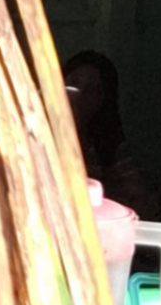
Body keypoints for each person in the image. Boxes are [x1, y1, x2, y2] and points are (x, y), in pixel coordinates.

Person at [62, 44, 148, 214]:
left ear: (103, 100)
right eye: (74, 83)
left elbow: (142, 203)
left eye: (93, 89)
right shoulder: (33, 133)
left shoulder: (108, 146)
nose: (81, 94)